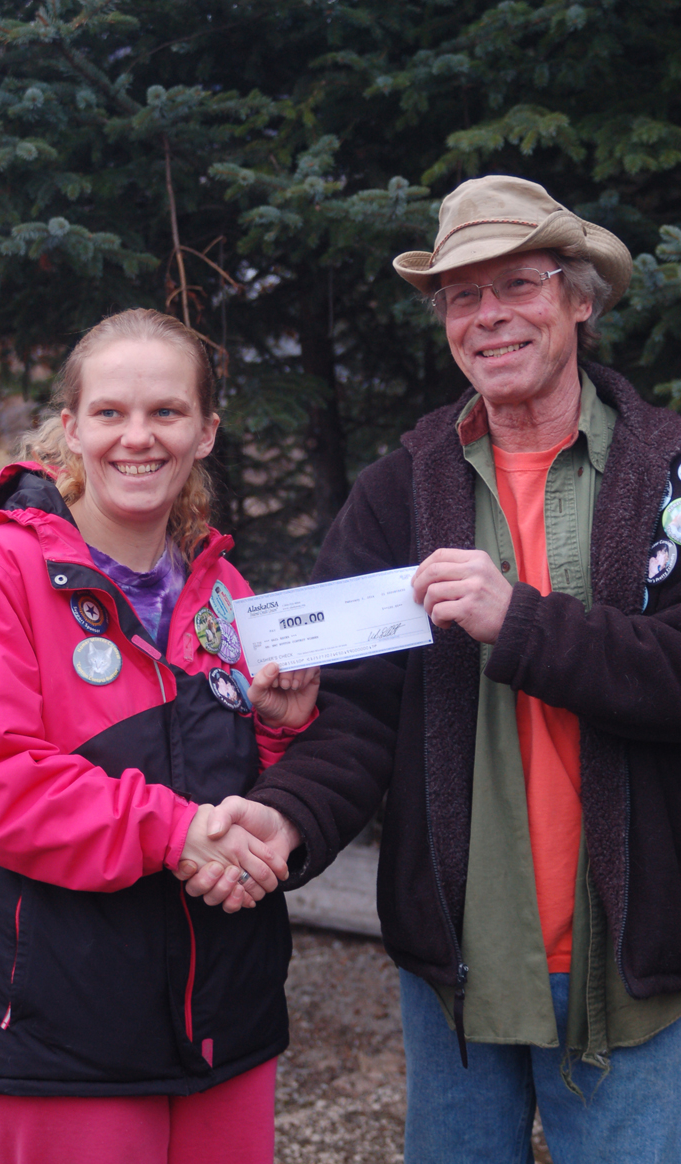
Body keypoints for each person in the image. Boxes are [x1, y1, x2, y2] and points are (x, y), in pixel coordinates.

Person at [186, 176, 681, 1162]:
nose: (489, 316)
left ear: (580, 300)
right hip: (459, 962)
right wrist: (290, 815)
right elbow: (357, 715)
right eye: (463, 296)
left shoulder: (666, 469)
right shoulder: (400, 491)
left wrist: (522, 622)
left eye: (519, 286)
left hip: (633, 967)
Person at [0, 308, 315, 1164]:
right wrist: (174, 832)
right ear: (71, 428)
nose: (137, 438)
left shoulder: (224, 591)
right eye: (110, 413)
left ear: (205, 432)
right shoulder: (2, 575)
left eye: (166, 413)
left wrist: (283, 732)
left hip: (227, 1024)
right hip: (69, 1035)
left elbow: (248, 791)